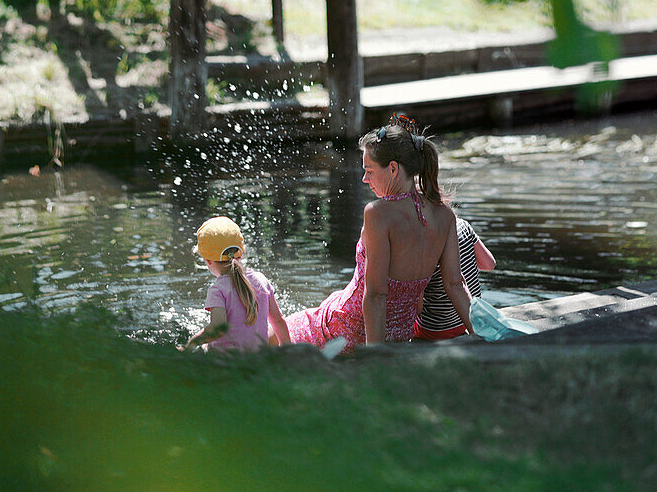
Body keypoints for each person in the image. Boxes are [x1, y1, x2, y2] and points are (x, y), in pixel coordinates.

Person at [287, 115, 474, 353]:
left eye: (369, 171)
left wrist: (375, 357)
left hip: (351, 329)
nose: (364, 179)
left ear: (393, 168)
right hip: (400, 333)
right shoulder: (444, 214)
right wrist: (480, 335)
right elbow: (456, 284)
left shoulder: (378, 213)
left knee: (276, 331)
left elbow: (375, 295)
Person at [180, 216, 290, 352]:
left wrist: (192, 342)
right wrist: (287, 351)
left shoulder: (217, 290)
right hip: (258, 357)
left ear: (208, 260)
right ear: (241, 252)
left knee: (204, 346)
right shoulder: (260, 279)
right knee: (271, 331)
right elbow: (279, 320)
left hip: (229, 363)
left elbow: (217, 329)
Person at [414, 218, 496, 340]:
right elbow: (489, 264)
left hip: (435, 329)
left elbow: (417, 309)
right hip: (467, 319)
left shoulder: (423, 240)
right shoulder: (463, 225)